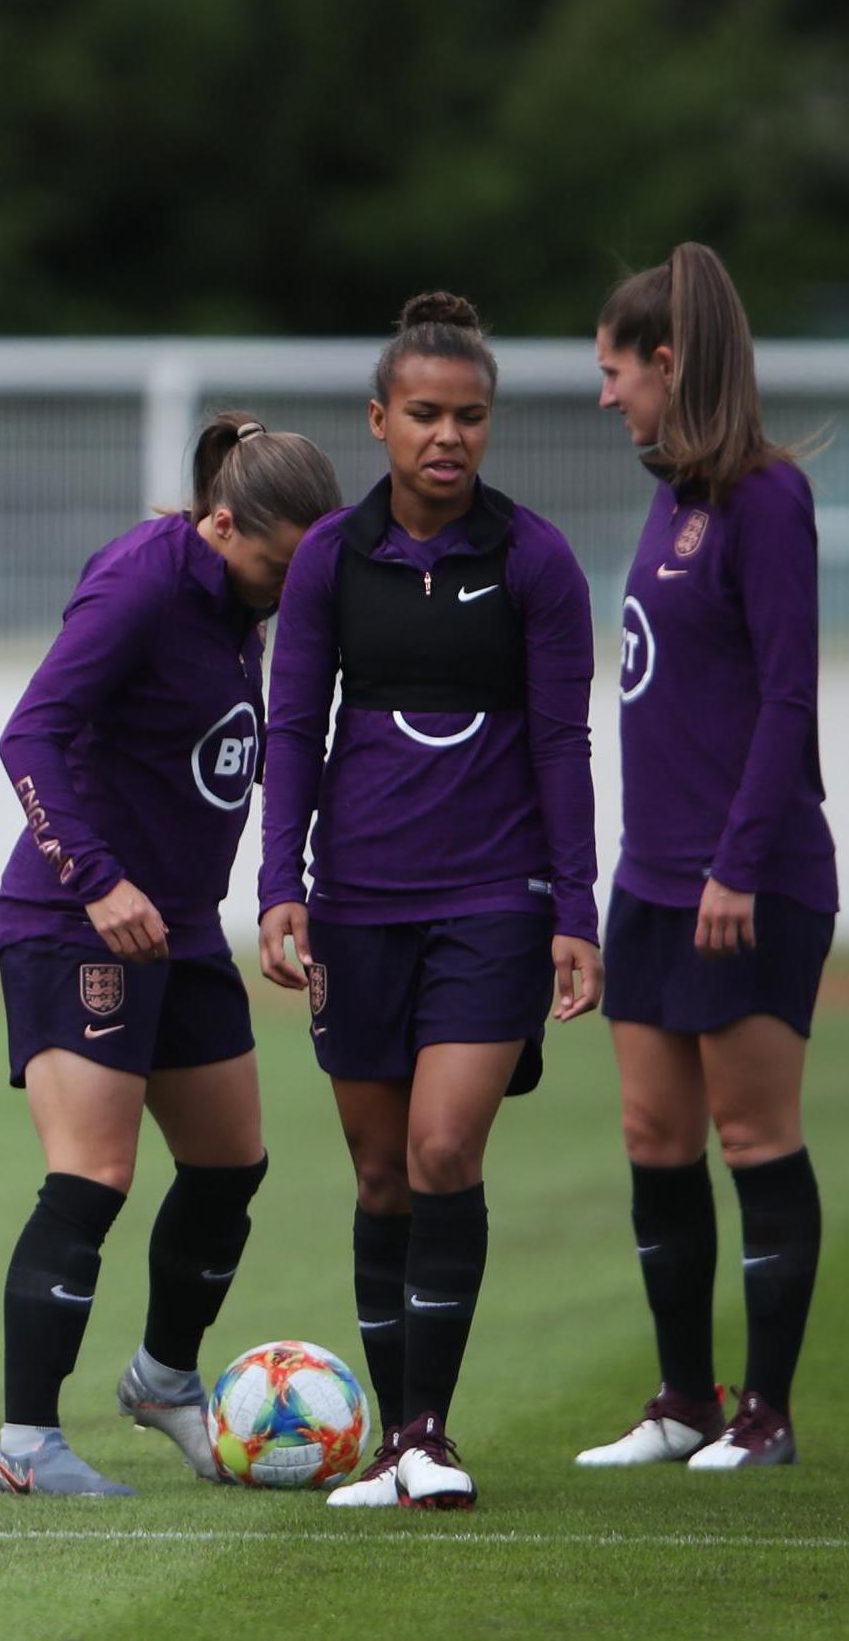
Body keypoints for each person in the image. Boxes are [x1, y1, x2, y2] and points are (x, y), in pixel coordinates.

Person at [258, 293, 602, 1510]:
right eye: (422, 414)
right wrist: (276, 885)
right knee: (376, 1174)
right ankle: (391, 1442)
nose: (445, 436)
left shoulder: (534, 559)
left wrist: (575, 909)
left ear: (487, 425)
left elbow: (562, 744)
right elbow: (292, 727)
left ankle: (424, 1436)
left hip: (491, 904)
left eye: (467, 416)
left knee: (441, 1146)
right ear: (378, 420)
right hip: (355, 905)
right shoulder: (326, 561)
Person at [0, 415, 340, 1498]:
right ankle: (25, 1444)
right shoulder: (143, 578)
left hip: (180, 924)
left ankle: (162, 1377)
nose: (288, 590)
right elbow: (29, 733)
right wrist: (95, 876)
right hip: (73, 918)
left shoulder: (241, 600)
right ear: (220, 522)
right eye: (277, 565)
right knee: (90, 1173)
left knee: (230, 1160)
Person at [574, 244, 834, 1472]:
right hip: (651, 876)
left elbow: (789, 696)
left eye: (613, 369)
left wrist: (734, 863)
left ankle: (765, 1413)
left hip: (746, 877)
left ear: (666, 363)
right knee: (650, 1134)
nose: (604, 394)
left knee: (750, 1135)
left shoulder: (764, 497)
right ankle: (683, 1396)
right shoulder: (670, 492)